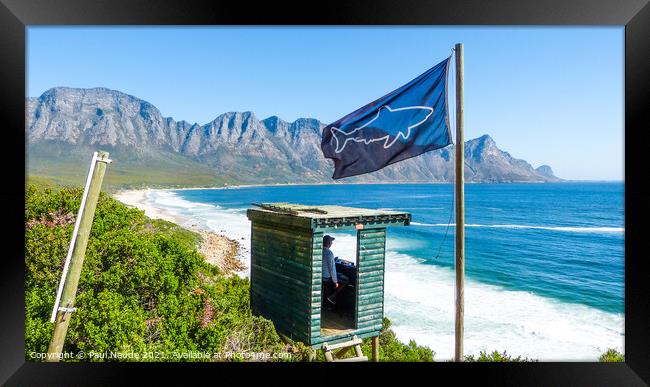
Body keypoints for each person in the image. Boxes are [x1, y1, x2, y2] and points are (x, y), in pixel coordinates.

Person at [322, 235, 349, 307]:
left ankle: (328, 303)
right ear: (328, 243)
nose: (332, 243)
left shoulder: (320, 250)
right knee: (346, 280)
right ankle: (332, 297)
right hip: (327, 278)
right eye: (331, 241)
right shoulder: (329, 253)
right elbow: (332, 269)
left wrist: (333, 260)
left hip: (321, 276)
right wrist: (335, 282)